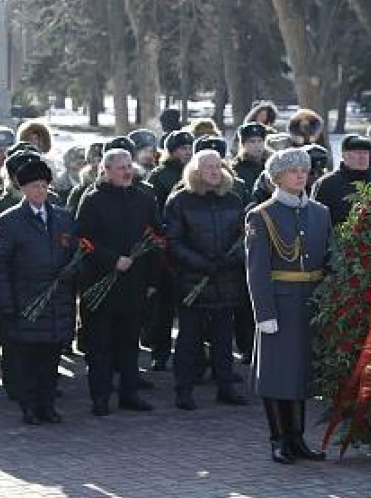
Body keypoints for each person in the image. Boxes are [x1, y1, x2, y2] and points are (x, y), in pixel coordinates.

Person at [245, 148, 330, 464]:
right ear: (277, 177)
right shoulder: (262, 215)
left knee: (300, 374)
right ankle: (278, 439)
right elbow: (256, 269)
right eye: (292, 171)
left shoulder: (320, 212)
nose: (300, 175)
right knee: (277, 374)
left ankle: (297, 438)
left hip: (310, 302)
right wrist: (264, 313)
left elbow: (327, 257)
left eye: (303, 170)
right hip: (279, 305)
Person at [0, 158, 76, 424]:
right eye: (34, 186)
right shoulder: (10, 220)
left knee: (51, 358)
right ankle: (30, 406)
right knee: (27, 358)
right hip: (26, 297)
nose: (40, 191)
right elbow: (0, 264)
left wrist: (71, 272)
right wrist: (7, 302)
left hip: (56, 299)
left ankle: (48, 405)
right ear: (23, 189)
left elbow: (75, 254)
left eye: (44, 185)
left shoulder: (62, 217)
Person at [76, 148, 159, 416]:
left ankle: (129, 393)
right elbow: (82, 241)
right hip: (101, 284)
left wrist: (151, 280)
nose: (126, 172)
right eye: (120, 168)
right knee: (101, 346)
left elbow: (155, 238)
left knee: (129, 344)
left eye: (129, 167)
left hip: (134, 284)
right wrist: (111, 259)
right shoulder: (92, 200)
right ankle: (100, 397)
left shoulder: (144, 198)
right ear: (106, 171)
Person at [165, 150, 247, 410]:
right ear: (195, 171)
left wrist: (228, 260)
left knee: (224, 339)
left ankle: (225, 387)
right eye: (207, 167)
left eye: (217, 166)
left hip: (226, 281)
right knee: (189, 339)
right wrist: (202, 264)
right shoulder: (180, 201)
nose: (214, 171)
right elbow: (173, 242)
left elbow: (245, 236)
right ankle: (183, 390)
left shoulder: (233, 200)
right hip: (194, 281)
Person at [145, 130, 194, 370]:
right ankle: (160, 352)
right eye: (181, 147)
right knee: (163, 308)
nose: (187, 151)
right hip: (166, 247)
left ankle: (194, 355)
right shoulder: (160, 176)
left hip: (192, 246)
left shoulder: (195, 173)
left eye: (189, 147)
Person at [311, 134, 371, 227]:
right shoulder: (327, 184)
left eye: (365, 152)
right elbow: (315, 219)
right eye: (357, 152)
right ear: (344, 155)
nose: (362, 157)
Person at [231, 122, 270, 189]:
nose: (257, 145)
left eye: (260, 141)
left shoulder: (271, 163)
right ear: (243, 145)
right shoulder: (237, 167)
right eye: (252, 141)